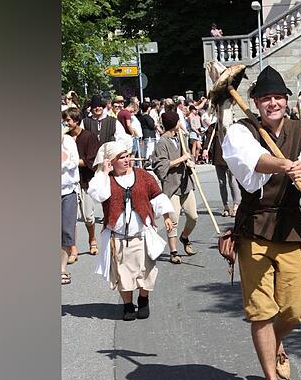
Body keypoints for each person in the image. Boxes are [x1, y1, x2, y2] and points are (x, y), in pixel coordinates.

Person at [222, 65, 301, 380]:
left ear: (286, 101)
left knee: (295, 311)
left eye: (278, 97)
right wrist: (286, 165)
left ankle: (278, 343)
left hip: (290, 228)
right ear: (255, 102)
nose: (272, 103)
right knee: (261, 313)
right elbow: (251, 163)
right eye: (265, 97)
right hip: (253, 228)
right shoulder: (241, 130)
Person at [88, 142, 175, 321]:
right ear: (111, 162)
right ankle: (127, 305)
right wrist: (104, 172)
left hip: (142, 234)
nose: (127, 159)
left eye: (127, 155)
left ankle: (143, 299)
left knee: (147, 272)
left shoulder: (143, 176)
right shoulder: (106, 180)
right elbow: (98, 195)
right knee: (123, 275)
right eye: (121, 157)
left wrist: (166, 216)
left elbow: (157, 195)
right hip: (119, 238)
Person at [149, 111, 200, 265]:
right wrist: (181, 159)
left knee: (193, 217)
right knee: (173, 219)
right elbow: (160, 166)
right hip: (172, 186)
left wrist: (189, 161)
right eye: (179, 121)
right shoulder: (162, 143)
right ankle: (173, 251)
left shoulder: (181, 138)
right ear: (175, 123)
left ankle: (184, 237)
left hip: (185, 183)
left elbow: (187, 156)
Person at [63, 106, 100, 257]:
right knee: (71, 217)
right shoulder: (64, 138)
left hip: (85, 180)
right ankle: (72, 249)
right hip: (69, 181)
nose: (66, 123)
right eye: (64, 120)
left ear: (77, 120)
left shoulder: (89, 137)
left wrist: (71, 162)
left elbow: (91, 159)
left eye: (68, 120)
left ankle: (92, 239)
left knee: (88, 216)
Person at [202, 108, 241, 217]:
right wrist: (205, 149)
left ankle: (236, 205)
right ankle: (225, 206)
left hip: (231, 157)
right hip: (218, 158)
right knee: (221, 182)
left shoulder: (234, 126)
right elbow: (208, 140)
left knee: (232, 181)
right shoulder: (213, 127)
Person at [60, 125, 80, 286]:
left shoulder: (68, 141)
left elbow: (73, 162)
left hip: (67, 191)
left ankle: (62, 269)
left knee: (67, 231)